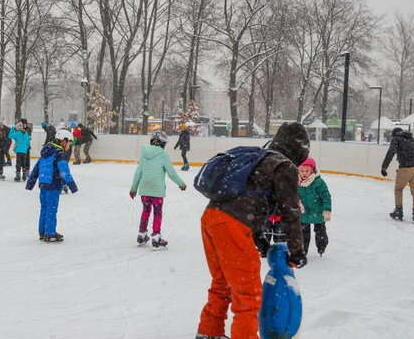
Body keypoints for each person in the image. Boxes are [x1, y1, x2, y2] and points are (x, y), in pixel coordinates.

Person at [195, 122, 308, 339]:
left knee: (223, 283)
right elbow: (290, 212)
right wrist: (297, 251)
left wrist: (260, 239)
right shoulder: (284, 167)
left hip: (211, 218)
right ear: (299, 150)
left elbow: (249, 198)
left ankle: (209, 332)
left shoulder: (260, 158)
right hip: (232, 224)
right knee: (249, 294)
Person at [129, 131, 187, 248]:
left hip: (145, 189)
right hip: (157, 190)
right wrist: (181, 184)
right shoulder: (163, 155)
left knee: (145, 211)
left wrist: (133, 188)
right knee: (157, 213)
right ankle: (156, 237)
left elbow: (138, 173)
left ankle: (142, 234)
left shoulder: (144, 155)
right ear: (163, 144)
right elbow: (171, 173)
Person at [25, 129, 78, 242]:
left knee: (44, 209)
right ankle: (50, 233)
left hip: (43, 185)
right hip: (53, 185)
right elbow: (64, 171)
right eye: (69, 142)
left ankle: (43, 232)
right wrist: (72, 186)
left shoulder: (46, 152)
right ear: (63, 141)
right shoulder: (59, 154)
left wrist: (30, 183)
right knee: (51, 209)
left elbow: (36, 169)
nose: (69, 145)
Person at [381, 127, 414, 223]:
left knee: (398, 189)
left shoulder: (396, 139)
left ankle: (398, 210)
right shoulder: (412, 139)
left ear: (394, 134)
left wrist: (384, 167)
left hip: (406, 167)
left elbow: (391, 152)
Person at [297, 157, 332, 257]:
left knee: (320, 232)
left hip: (318, 212)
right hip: (303, 213)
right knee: (303, 234)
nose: (304, 173)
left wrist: (327, 209)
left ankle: (321, 247)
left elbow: (326, 196)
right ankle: (303, 251)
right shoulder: (296, 182)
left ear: (312, 170)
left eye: (307, 171)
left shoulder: (318, 182)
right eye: (301, 171)